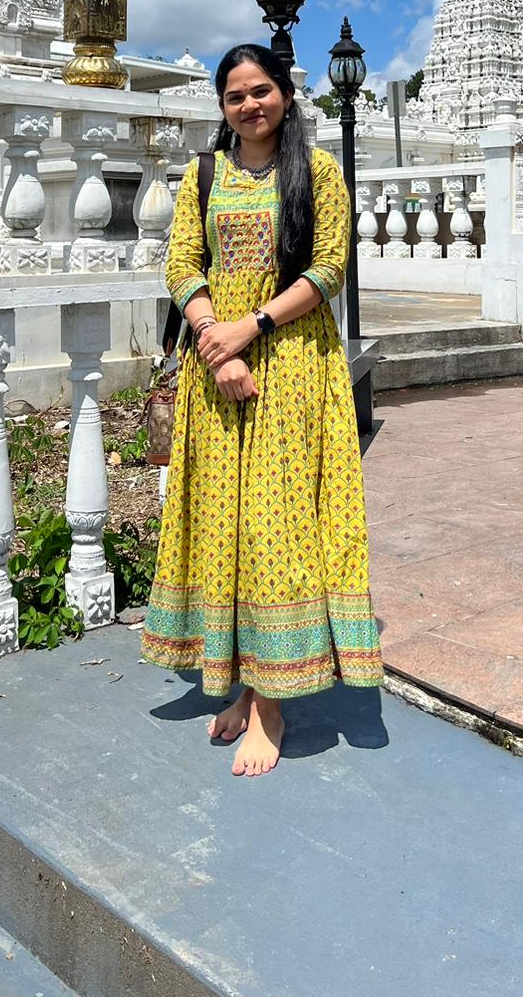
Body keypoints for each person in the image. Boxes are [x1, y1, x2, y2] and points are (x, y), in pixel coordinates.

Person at [142, 43, 383, 776]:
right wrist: (218, 343)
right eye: (235, 95)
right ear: (222, 106)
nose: (249, 105)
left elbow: (329, 267)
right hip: (217, 365)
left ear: (285, 94)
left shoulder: (318, 172)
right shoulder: (203, 175)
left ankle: (272, 705)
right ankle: (244, 685)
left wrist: (251, 328)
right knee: (229, 525)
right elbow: (182, 264)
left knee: (276, 524)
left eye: (261, 91)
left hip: (294, 363)